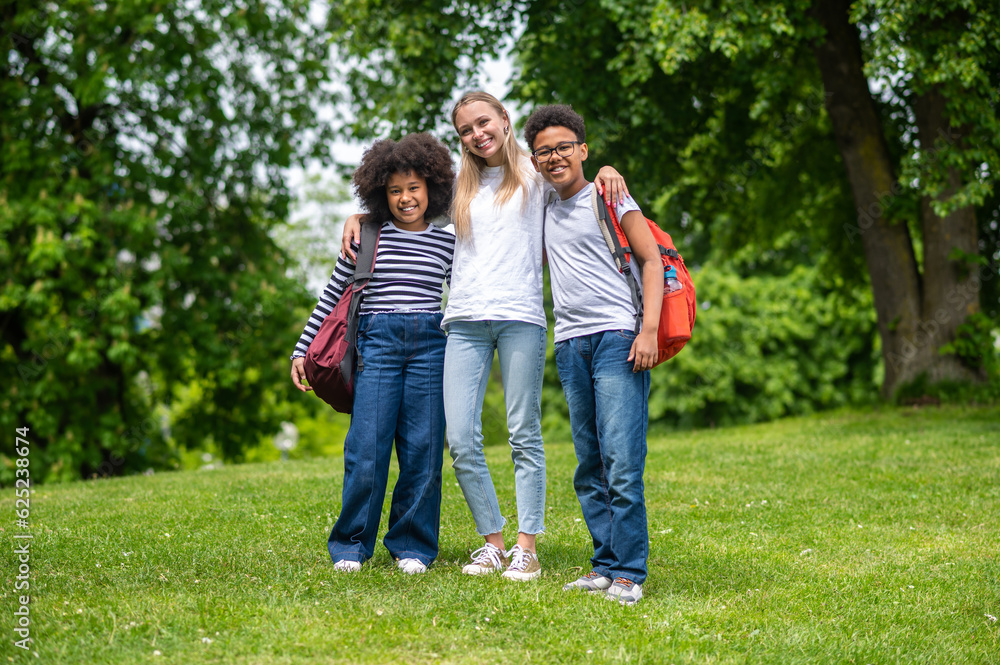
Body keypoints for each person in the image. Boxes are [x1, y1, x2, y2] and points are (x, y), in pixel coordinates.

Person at [340, 91, 629, 581]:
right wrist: (360, 218)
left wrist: (606, 169)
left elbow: (573, 176)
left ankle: (526, 549)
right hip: (465, 320)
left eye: (483, 122)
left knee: (523, 434)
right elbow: (407, 212)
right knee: (461, 438)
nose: (477, 134)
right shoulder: (456, 187)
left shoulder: (535, 174)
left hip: (521, 318)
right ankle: (492, 542)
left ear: (503, 119)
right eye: (466, 130)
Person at [290, 133, 456, 575]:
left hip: (429, 346)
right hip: (376, 348)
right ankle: (350, 545)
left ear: (432, 189)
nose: (406, 198)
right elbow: (332, 295)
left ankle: (413, 546)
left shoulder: (448, 241)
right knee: (366, 450)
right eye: (395, 190)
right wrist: (302, 349)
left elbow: (462, 297)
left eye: (414, 188)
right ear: (381, 193)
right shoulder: (367, 236)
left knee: (422, 451)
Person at [523, 104, 663, 605]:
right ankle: (604, 565)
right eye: (544, 151)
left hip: (617, 338)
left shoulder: (609, 195)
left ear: (583, 149)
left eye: (564, 147)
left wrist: (647, 330)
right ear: (535, 160)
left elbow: (650, 260)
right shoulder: (540, 204)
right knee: (590, 462)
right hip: (569, 344)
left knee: (622, 460)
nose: (554, 157)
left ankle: (630, 572)